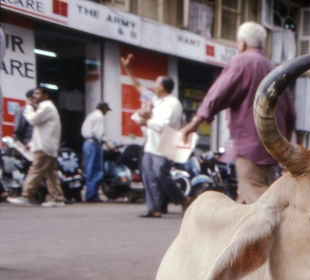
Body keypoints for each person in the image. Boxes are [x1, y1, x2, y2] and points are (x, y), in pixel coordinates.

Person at [179, 22, 295, 204]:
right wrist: (286, 147)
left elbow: (217, 94)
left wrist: (195, 122)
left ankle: (288, 229)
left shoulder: (241, 62)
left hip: (252, 143)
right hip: (274, 146)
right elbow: (291, 114)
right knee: (245, 194)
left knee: (254, 190)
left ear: (241, 43)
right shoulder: (274, 68)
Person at [121, 54, 187, 218]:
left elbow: (163, 125)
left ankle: (182, 199)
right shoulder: (155, 100)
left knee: (160, 173)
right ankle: (154, 208)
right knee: (149, 175)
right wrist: (127, 68)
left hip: (165, 142)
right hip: (151, 143)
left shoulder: (173, 103)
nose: (154, 86)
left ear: (163, 87)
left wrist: (146, 121)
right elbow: (138, 87)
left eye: (156, 84)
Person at [8, 87, 65, 207]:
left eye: (38, 93)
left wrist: (29, 106)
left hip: (44, 146)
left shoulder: (45, 106)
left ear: (45, 95)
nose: (35, 96)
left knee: (35, 171)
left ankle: (26, 196)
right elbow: (42, 128)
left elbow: (33, 120)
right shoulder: (48, 107)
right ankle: (57, 198)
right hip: (48, 145)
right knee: (51, 173)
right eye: (34, 94)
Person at [81, 102, 111, 202]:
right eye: (107, 110)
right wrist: (107, 144)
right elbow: (99, 133)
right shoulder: (99, 116)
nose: (106, 112)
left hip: (87, 143)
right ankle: (91, 195)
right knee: (96, 170)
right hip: (94, 143)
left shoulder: (91, 115)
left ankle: (92, 193)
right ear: (104, 108)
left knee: (90, 169)